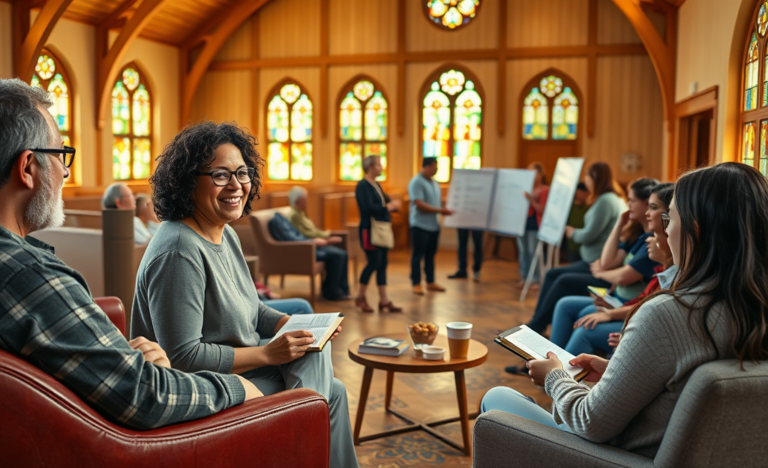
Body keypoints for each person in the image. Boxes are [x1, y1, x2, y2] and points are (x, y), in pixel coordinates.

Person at [0, 78, 260, 430]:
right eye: (61, 155)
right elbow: (146, 395)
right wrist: (239, 387)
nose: (64, 171)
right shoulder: (29, 276)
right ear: (28, 167)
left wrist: (121, 353)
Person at [482, 162, 768, 459]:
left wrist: (555, 378)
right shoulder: (753, 309)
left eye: (670, 218)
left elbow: (590, 423)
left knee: (497, 398)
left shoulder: (668, 314)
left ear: (694, 231)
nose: (666, 231)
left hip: (619, 457)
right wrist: (617, 372)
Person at [130, 121, 358, 468]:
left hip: (241, 375)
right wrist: (268, 354)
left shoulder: (224, 232)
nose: (236, 185)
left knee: (327, 377)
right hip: (203, 389)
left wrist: (287, 321)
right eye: (221, 175)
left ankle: (304, 426)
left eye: (242, 172)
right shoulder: (179, 249)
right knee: (319, 389)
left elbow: (251, 307)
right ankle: (300, 433)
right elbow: (183, 357)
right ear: (189, 180)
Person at [549, 183, 675, 356]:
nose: (646, 213)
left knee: (584, 323)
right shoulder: (642, 240)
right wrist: (619, 224)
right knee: (566, 300)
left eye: (652, 207)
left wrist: (611, 306)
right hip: (624, 305)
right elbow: (611, 264)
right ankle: (551, 361)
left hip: (634, 316)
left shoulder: (666, 264)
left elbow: (626, 281)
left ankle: (554, 370)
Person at [524, 162, 627, 333]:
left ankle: (537, 324)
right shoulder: (610, 198)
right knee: (552, 273)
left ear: (595, 178)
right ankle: (537, 322)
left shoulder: (605, 201)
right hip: (594, 261)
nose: (585, 180)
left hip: (597, 264)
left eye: (587, 176)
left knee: (561, 280)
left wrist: (572, 233)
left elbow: (589, 234)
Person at [285, 185, 351, 301]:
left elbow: (313, 230)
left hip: (313, 244)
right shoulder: (295, 215)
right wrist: (327, 238)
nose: (307, 201)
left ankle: (339, 290)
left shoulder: (301, 213)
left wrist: (326, 235)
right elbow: (305, 234)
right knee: (338, 255)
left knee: (342, 253)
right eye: (305, 199)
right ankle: (332, 291)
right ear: (298, 200)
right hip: (307, 248)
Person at [354, 155, 402, 313]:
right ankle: (360, 297)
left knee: (382, 264)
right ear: (371, 167)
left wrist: (394, 205)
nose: (381, 168)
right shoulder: (362, 186)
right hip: (370, 230)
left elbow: (385, 202)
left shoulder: (376, 184)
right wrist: (390, 207)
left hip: (381, 229)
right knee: (373, 263)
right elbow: (368, 208)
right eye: (379, 165)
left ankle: (384, 300)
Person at [408, 157, 453, 295]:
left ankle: (430, 281)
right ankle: (416, 283)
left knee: (430, 255)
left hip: (433, 225)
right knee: (418, 254)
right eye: (435, 166)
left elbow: (437, 202)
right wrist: (440, 210)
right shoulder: (416, 182)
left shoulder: (434, 183)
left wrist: (446, 207)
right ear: (426, 167)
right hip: (420, 225)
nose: (437, 169)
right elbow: (419, 204)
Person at [515, 162, 550, 289]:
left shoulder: (545, 189)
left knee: (533, 251)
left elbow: (542, 210)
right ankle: (525, 277)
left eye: (535, 172)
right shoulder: (525, 187)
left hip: (534, 224)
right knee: (523, 252)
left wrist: (531, 200)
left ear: (541, 175)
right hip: (521, 224)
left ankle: (537, 279)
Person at [561, 182, 589, 263]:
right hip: (571, 244)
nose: (586, 194)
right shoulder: (568, 206)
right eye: (584, 192)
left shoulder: (588, 207)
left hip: (583, 244)